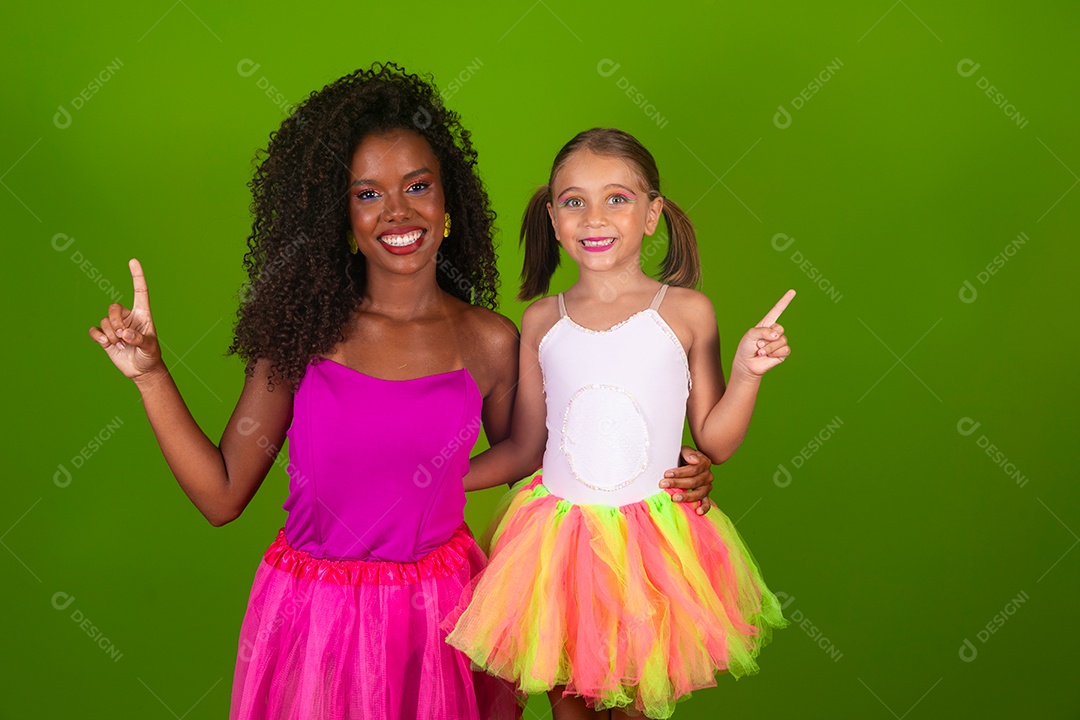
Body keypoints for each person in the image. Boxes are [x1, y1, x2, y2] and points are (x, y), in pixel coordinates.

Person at [87, 65, 713, 719]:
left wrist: (665, 483)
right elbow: (220, 496)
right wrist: (151, 375)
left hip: (444, 620)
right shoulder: (300, 334)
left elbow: (544, 464)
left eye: (418, 186)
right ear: (341, 213)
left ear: (448, 202)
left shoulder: (490, 342)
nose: (397, 211)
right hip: (315, 624)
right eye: (367, 194)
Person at [445, 128, 792, 719]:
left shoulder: (686, 312)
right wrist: (435, 479)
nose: (594, 216)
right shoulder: (538, 321)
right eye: (574, 201)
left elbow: (715, 440)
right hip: (557, 542)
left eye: (618, 198)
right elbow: (527, 446)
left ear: (653, 214)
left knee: (636, 704)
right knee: (569, 708)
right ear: (553, 220)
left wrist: (747, 372)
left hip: (653, 545)